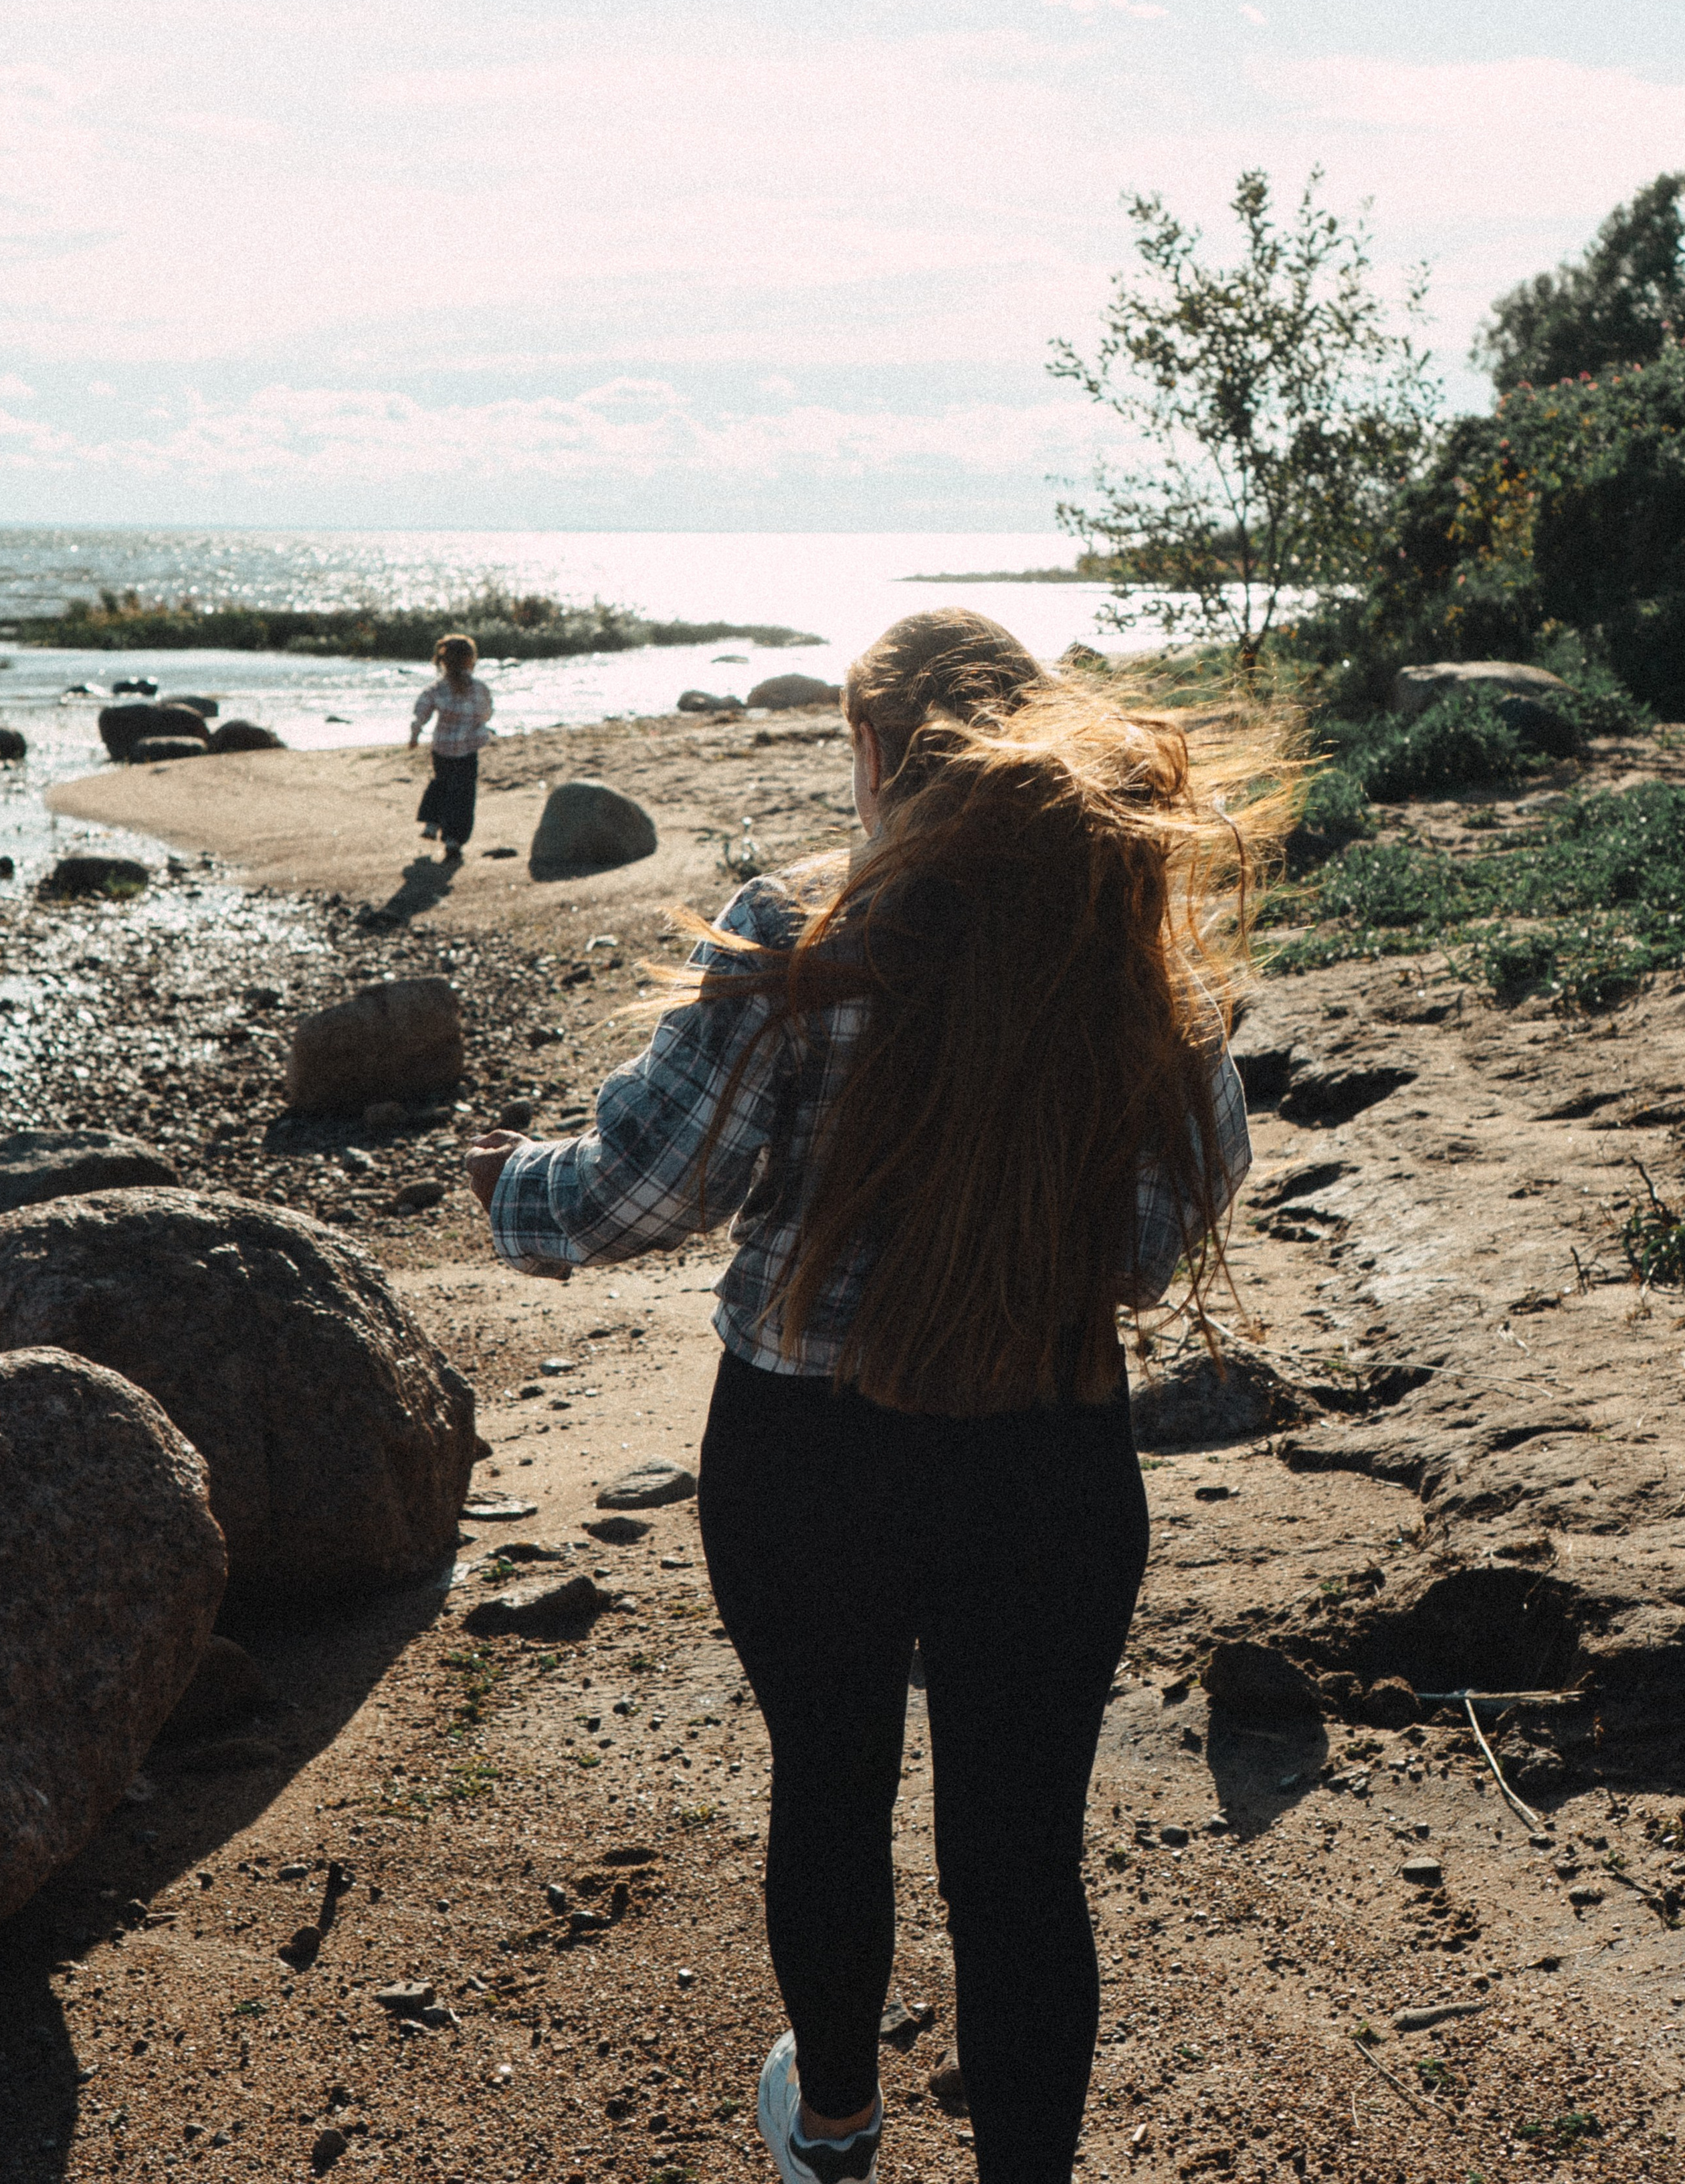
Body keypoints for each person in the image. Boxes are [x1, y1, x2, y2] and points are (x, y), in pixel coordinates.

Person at [465, 610, 1282, 2184]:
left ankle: (831, 2127)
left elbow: (640, 1194)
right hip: (1045, 1452)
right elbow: (1164, 1225)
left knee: (826, 1785)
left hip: (806, 1454)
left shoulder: (800, 930)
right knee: (1019, 1856)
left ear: (870, 753)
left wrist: (511, 1188)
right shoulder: (1113, 950)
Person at [409, 633, 492, 863]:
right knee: (463, 793)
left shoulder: (437, 688)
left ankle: (432, 822)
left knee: (442, 782)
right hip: (468, 749)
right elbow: (486, 713)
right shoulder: (478, 689)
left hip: (443, 747)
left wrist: (415, 735)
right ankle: (453, 840)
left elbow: (421, 712)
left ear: (443, 661)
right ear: (471, 660)